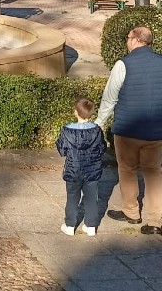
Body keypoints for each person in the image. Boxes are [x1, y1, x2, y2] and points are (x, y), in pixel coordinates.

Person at [96, 26, 162, 236]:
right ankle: (155, 221)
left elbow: (110, 97)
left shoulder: (123, 64)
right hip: (158, 130)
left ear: (135, 40)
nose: (127, 41)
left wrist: (99, 123)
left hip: (128, 129)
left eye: (128, 37)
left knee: (127, 170)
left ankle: (131, 212)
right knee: (154, 172)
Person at [57, 98, 106, 237]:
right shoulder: (96, 130)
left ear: (75, 112)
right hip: (93, 169)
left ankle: (70, 225)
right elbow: (102, 148)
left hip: (73, 169)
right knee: (91, 197)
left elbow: (62, 150)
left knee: (72, 197)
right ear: (91, 114)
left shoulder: (67, 130)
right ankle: (90, 226)